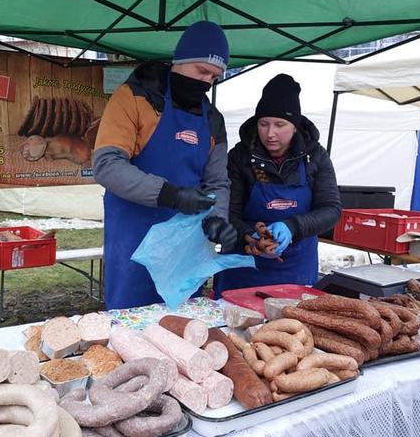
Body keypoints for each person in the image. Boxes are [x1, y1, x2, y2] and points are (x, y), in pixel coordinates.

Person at [94, 21, 238, 310]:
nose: (207, 81)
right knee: (130, 320)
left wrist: (218, 218)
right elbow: (107, 165)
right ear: (180, 61)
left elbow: (217, 183)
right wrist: (170, 194)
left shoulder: (212, 119)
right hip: (134, 236)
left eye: (214, 76)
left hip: (185, 243)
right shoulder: (135, 98)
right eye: (202, 71)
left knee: (183, 326)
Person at [213, 74, 341, 298]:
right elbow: (228, 212)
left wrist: (292, 226)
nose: (270, 133)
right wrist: (251, 236)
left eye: (279, 125)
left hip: (296, 268)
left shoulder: (315, 157)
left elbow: (331, 210)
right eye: (264, 124)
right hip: (243, 267)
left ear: (295, 126)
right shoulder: (240, 157)